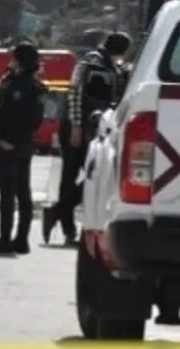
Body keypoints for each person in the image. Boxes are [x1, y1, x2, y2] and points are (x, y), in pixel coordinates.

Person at [42, 31, 131, 245]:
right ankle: (67, 229)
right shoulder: (91, 62)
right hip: (78, 127)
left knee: (94, 175)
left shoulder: (112, 67)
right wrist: (76, 126)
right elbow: (75, 93)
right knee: (74, 176)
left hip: (93, 128)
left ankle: (57, 213)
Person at [0, 42, 48, 255]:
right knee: (22, 193)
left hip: (11, 143)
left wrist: (9, 138)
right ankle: (20, 239)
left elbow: (22, 117)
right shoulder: (29, 83)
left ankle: (6, 239)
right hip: (23, 144)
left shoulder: (21, 85)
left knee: (9, 195)